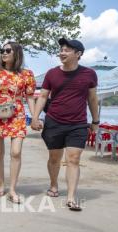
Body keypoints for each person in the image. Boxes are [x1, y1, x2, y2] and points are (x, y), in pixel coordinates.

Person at [31, 38, 99, 211]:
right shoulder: (52, 73)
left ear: (78, 54)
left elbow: (92, 98)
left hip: (78, 124)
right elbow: (43, 97)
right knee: (54, 158)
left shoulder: (89, 74)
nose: (62, 52)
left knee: (73, 159)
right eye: (61, 49)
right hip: (54, 121)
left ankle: (71, 197)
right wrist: (35, 117)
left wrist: (95, 121)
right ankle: (54, 185)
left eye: (67, 50)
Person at [0, 41, 36, 204]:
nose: (4, 53)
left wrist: (34, 117)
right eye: (2, 50)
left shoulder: (26, 74)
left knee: (16, 152)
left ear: (16, 53)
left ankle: (12, 189)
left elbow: (29, 97)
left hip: (17, 113)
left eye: (8, 50)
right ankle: (1, 185)